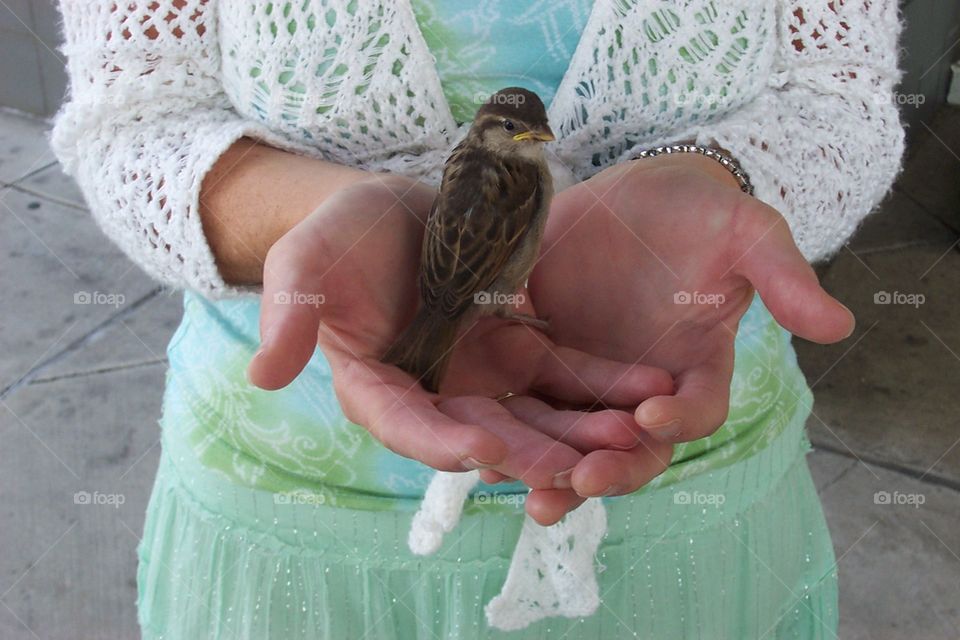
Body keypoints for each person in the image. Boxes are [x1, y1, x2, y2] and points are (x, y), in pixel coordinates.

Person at [52, 0, 904, 637]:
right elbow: (131, 123)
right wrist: (329, 232)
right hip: (291, 510)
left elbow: (842, 101)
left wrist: (716, 177)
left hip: (698, 491)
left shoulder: (517, 171)